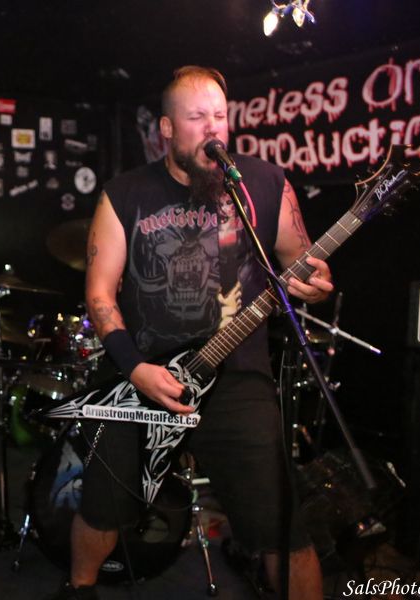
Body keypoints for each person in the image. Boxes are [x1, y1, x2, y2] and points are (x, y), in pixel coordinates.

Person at [52, 66, 332, 600]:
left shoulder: (265, 184)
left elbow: (303, 262)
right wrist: (134, 366)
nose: (213, 129)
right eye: (197, 117)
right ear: (166, 128)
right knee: (103, 509)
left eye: (220, 116)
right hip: (140, 376)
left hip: (237, 380)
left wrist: (315, 285)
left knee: (282, 527)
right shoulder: (124, 194)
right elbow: (100, 296)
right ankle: (79, 588)